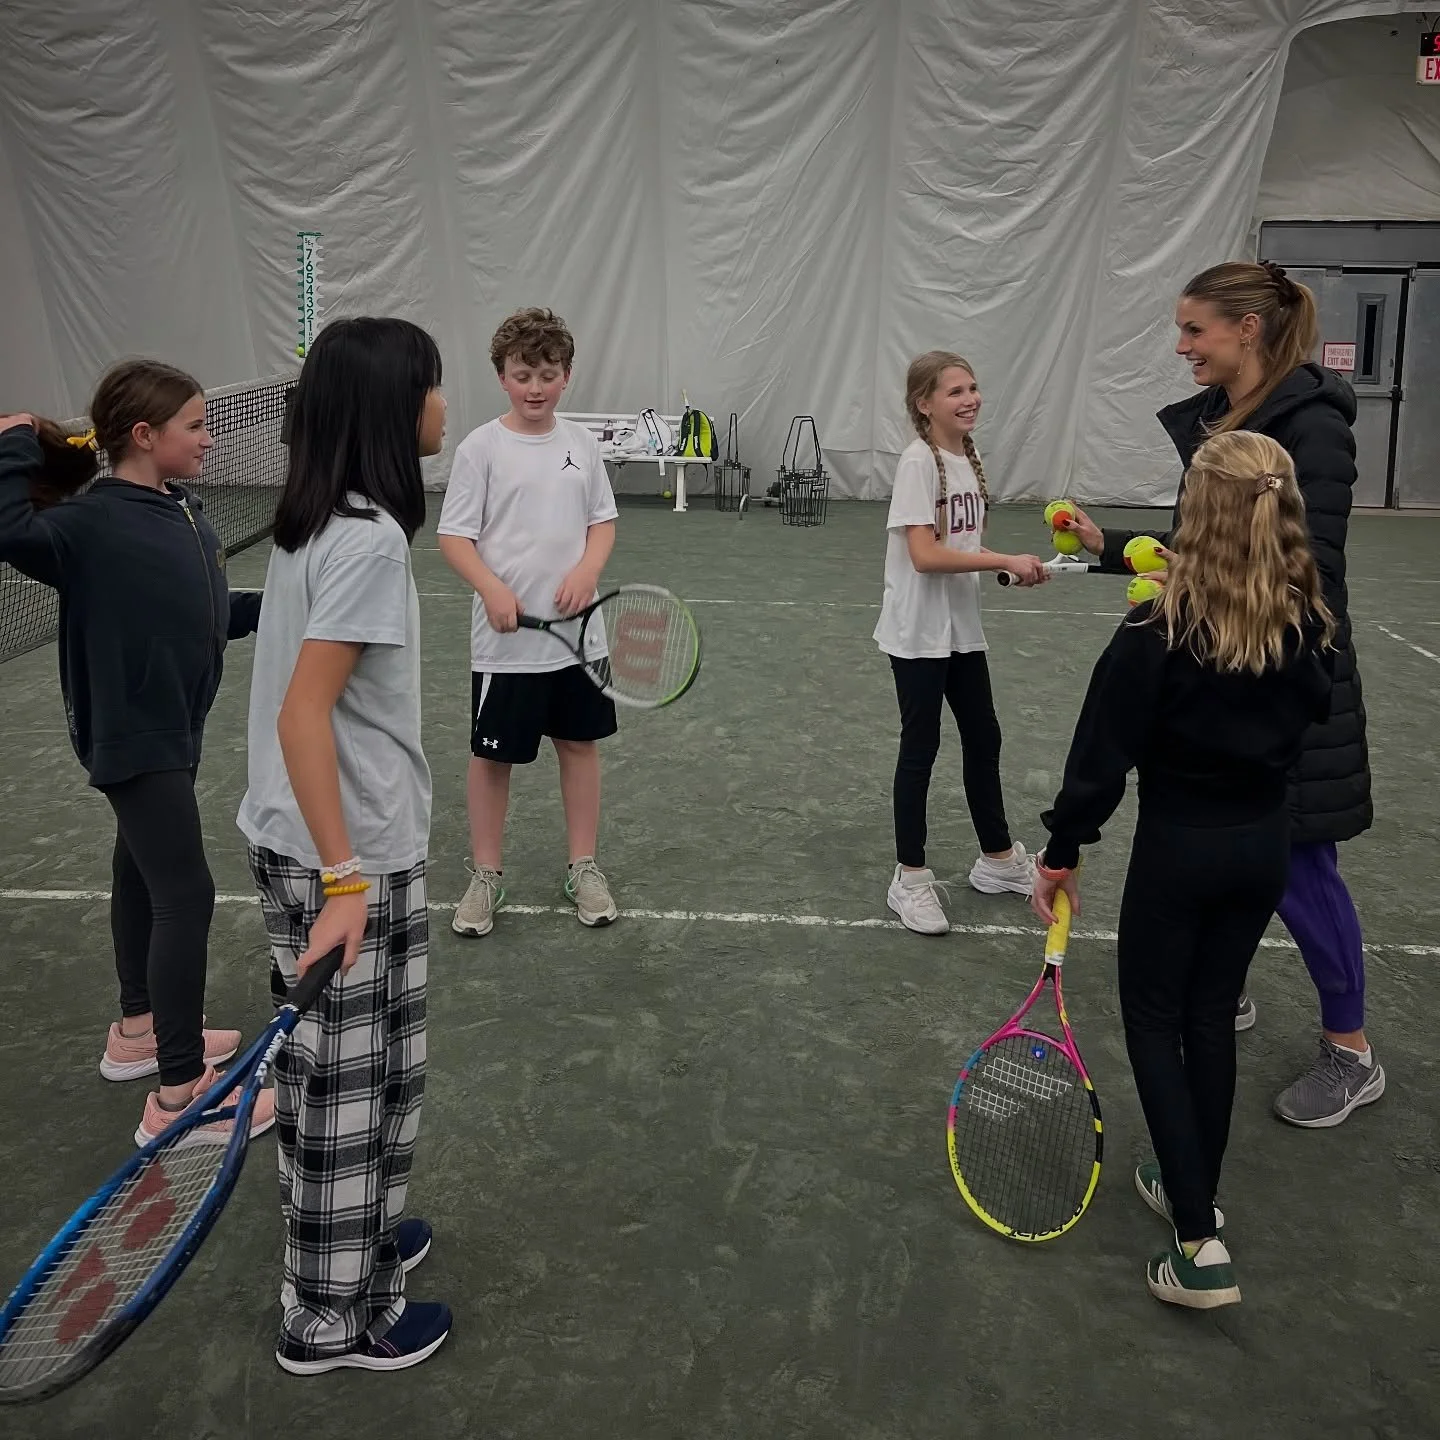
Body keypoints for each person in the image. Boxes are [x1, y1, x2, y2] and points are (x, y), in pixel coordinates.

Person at [1060, 260, 1382, 1128]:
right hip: (1228, 665)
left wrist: (1183, 588)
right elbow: (1218, 534)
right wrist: (1114, 544)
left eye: (1195, 330)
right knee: (1238, 856)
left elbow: (1299, 564)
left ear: (1249, 329)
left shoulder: (1312, 428)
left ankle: (1350, 1052)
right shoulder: (1231, 417)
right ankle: (1220, 985)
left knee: (1302, 866)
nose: (1182, 346)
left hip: (1285, 677)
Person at [1033, 431, 1335, 1308]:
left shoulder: (1156, 629)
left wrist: (1060, 853)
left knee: (1158, 1022)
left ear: (1197, 514)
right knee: (1209, 1015)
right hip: (1262, 849)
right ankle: (1186, 1183)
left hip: (1182, 852)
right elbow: (1311, 705)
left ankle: (1199, 1241)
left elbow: (1099, 758)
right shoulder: (1304, 617)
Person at [236, 316, 450, 1374]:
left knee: (354, 1072)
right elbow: (301, 716)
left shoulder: (320, 520)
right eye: (431, 388)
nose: (443, 407)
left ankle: (355, 1237)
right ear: (389, 408)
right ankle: (330, 1317)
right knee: (353, 1086)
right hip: (343, 852)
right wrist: (345, 878)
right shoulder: (364, 538)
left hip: (317, 839)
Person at [0, 363, 268, 1148]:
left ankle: (140, 1032)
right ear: (146, 437)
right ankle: (181, 1093)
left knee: (139, 874)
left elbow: (208, 606)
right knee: (187, 895)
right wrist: (15, 444)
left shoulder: (183, 511)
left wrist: (291, 600)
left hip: (177, 724)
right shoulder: (86, 526)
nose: (209, 439)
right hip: (132, 733)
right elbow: (8, 529)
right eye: (195, 425)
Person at [437, 306, 620, 936]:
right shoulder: (479, 448)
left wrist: (587, 573)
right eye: (522, 374)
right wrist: (491, 588)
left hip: (577, 638)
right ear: (502, 377)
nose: (534, 387)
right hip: (505, 646)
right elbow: (455, 537)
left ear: (566, 376)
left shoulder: (581, 445)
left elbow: (602, 520)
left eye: (547, 373)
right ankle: (486, 873)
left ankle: (583, 865)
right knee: (493, 759)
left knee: (579, 744)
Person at [874, 350, 1048, 936]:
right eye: (954, 391)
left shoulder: (967, 461)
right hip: (917, 634)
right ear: (925, 404)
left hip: (960, 632)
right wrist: (1000, 557)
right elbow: (924, 557)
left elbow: (963, 551)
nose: (969, 398)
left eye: (973, 388)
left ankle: (997, 860)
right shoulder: (917, 463)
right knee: (920, 746)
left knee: (984, 736)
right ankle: (910, 878)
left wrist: (1007, 570)